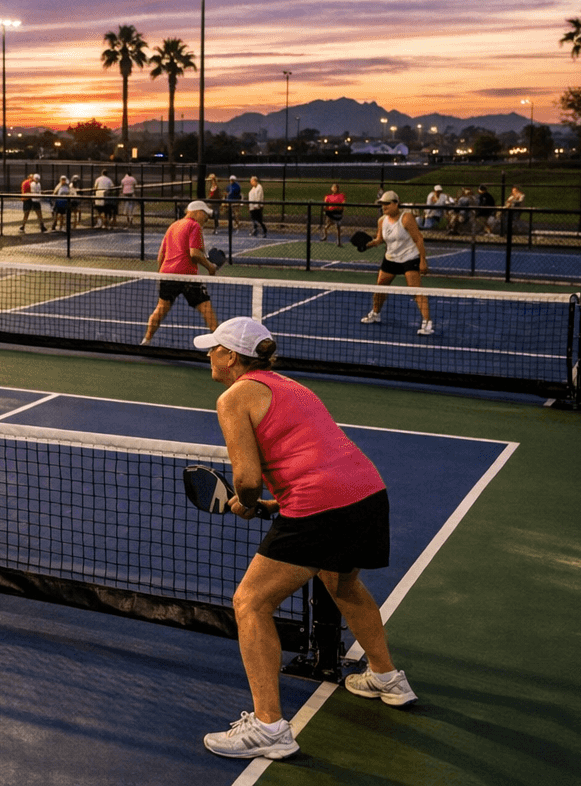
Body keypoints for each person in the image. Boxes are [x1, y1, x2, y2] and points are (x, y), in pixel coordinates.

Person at [195, 317, 415, 760]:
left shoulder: (233, 397)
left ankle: (269, 728)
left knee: (251, 603)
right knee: (341, 582)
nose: (209, 355)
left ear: (232, 357)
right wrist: (270, 503)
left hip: (322, 505)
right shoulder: (291, 387)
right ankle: (387, 678)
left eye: (214, 348)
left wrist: (247, 502)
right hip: (367, 493)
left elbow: (248, 479)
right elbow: (313, 458)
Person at [141, 200, 220, 345]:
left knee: (160, 309)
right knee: (206, 309)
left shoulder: (173, 225)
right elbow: (194, 253)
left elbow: (161, 254)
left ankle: (146, 340)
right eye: (205, 215)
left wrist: (161, 274)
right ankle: (218, 345)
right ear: (197, 212)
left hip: (167, 274)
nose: (206, 219)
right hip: (187, 276)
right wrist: (210, 267)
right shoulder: (194, 226)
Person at [359, 190, 432, 335]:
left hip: (409, 258)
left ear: (395, 204)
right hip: (391, 259)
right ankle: (376, 313)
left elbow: (418, 238)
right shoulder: (382, 221)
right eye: (382, 204)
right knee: (380, 289)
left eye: (387, 204)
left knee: (416, 290)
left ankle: (427, 323)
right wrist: (367, 245)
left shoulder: (406, 218)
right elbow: (379, 239)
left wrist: (422, 261)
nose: (384, 207)